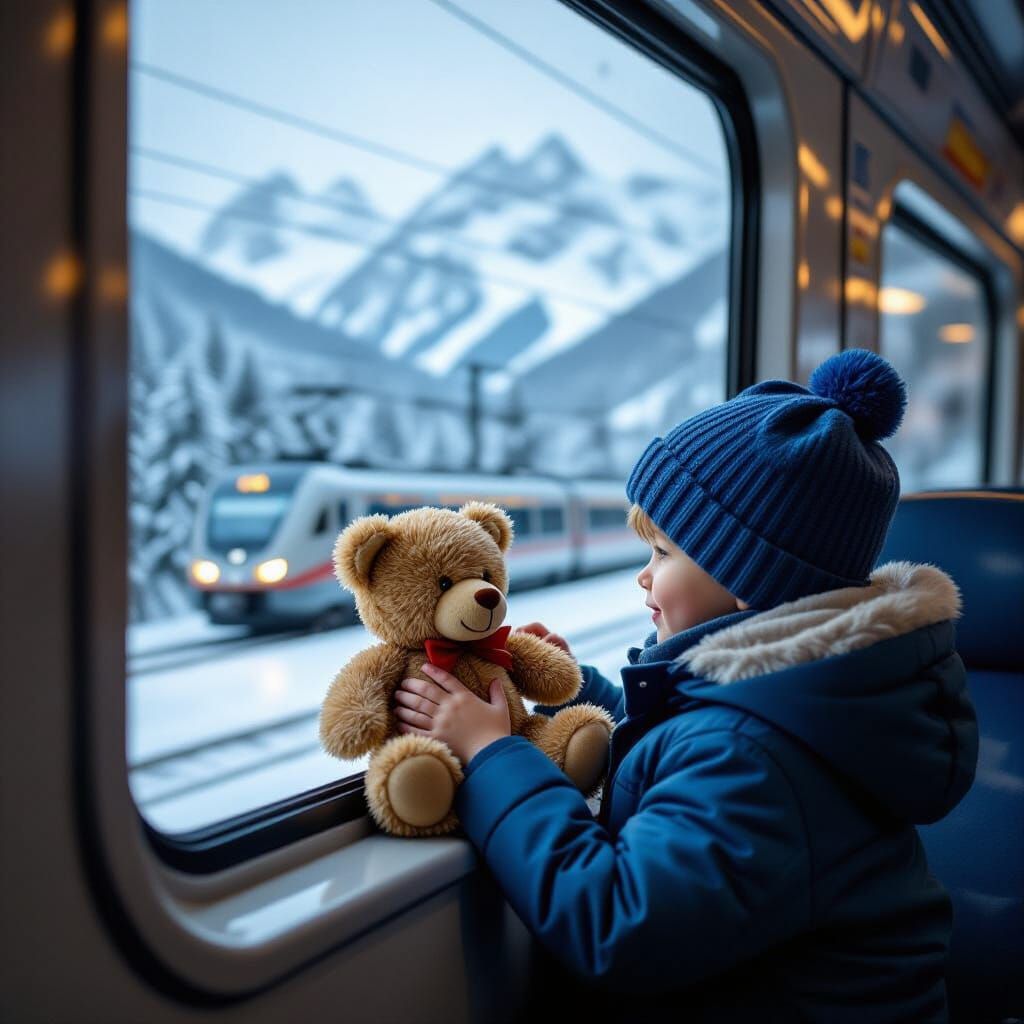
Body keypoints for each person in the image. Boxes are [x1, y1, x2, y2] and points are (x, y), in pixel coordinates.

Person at [393, 349, 978, 1023]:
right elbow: (687, 743)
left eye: (663, 553)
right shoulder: (789, 698)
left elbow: (618, 925)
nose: (644, 576)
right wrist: (584, 692)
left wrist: (493, 756)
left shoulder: (757, 762)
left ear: (748, 582)